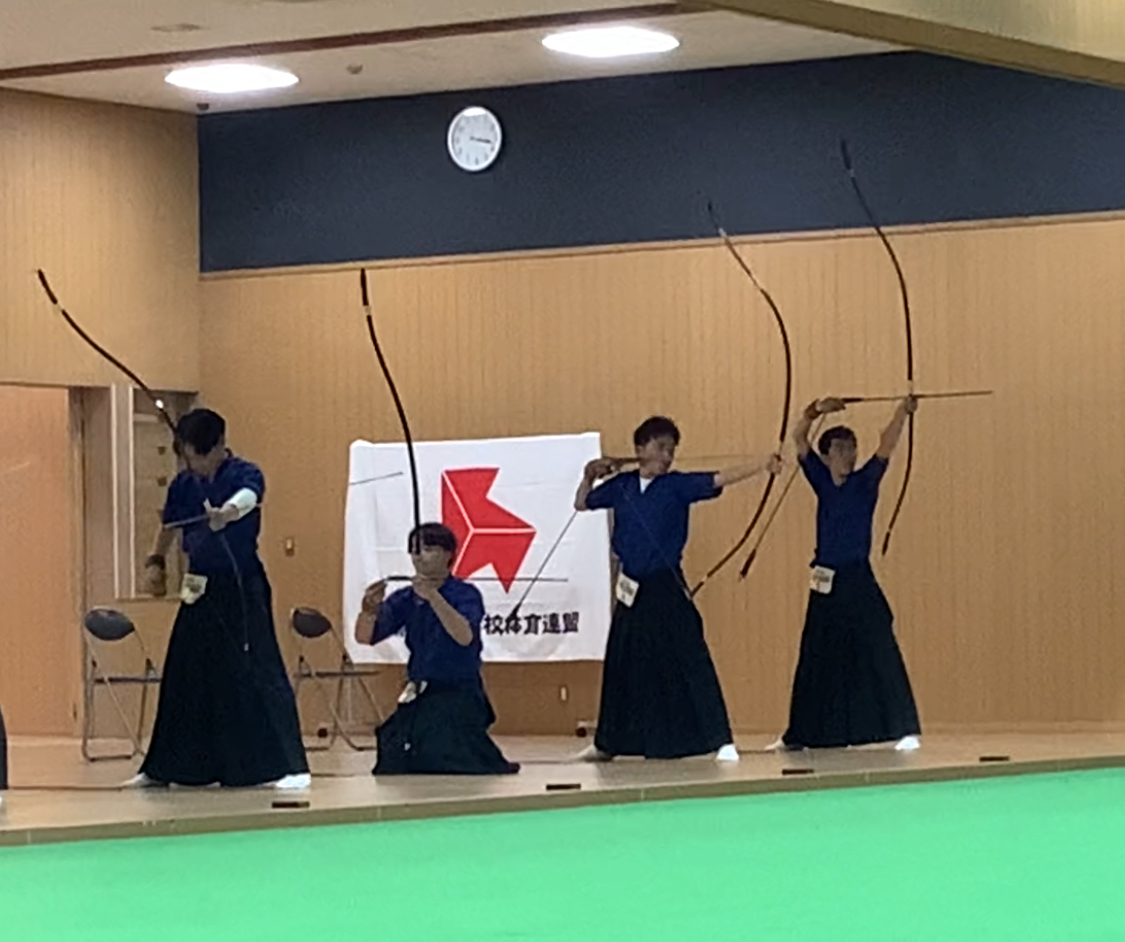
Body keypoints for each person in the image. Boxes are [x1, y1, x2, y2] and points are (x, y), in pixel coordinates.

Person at [575, 415, 782, 762]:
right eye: (660, 448)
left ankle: (719, 739)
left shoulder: (677, 486)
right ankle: (608, 743)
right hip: (631, 587)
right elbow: (582, 503)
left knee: (690, 656)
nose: (667, 456)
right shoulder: (622, 485)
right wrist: (588, 476)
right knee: (623, 662)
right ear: (640, 448)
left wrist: (762, 465)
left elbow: (719, 478)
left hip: (665, 584)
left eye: (671, 450)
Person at [132, 408, 310, 789]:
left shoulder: (245, 473)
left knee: (257, 667)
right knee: (184, 669)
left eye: (197, 455)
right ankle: (168, 767)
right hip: (198, 584)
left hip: (241, 584)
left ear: (219, 446)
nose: (192, 464)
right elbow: (169, 525)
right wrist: (155, 561)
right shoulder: (184, 483)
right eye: (187, 456)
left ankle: (289, 767)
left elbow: (248, 497)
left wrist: (226, 514)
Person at [772, 395, 922, 751]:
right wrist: (815, 411)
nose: (849, 455)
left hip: (857, 577)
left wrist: (902, 411)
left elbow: (887, 444)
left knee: (878, 646)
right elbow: (799, 438)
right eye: (840, 449)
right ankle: (800, 734)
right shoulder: (821, 480)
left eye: (852, 448)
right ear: (826, 456)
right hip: (825, 579)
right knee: (816, 654)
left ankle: (902, 729)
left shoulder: (865, 481)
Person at [355, 522, 519, 775]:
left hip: (458, 691)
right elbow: (365, 637)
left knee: (445, 752)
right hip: (421, 690)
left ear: (448, 554)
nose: (419, 556)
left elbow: (464, 637)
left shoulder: (465, 594)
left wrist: (433, 596)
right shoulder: (405, 598)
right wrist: (369, 610)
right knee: (394, 752)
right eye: (414, 550)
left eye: (428, 549)